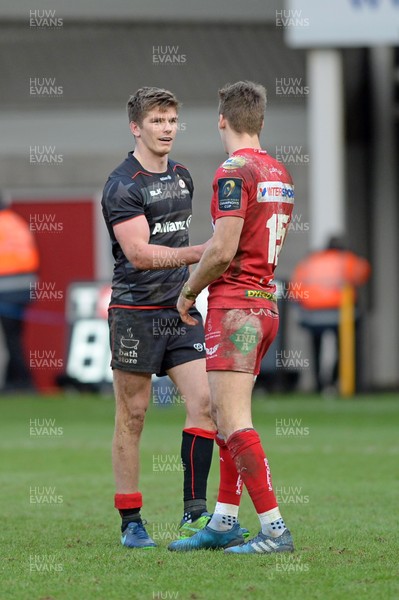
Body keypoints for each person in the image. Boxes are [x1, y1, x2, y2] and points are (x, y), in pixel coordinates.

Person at [168, 81, 295, 554]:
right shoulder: (278, 170)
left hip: (235, 307)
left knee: (235, 420)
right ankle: (223, 522)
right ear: (259, 121)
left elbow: (221, 250)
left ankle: (275, 530)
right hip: (264, 306)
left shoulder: (233, 171)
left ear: (221, 120)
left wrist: (188, 291)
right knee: (224, 415)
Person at [101, 87, 217, 549]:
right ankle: (131, 520)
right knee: (133, 415)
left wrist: (198, 281)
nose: (167, 129)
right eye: (157, 121)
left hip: (180, 310)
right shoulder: (122, 184)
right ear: (136, 127)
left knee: (205, 403)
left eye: (171, 121)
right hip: (134, 313)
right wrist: (202, 253)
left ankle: (195, 514)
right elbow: (139, 254)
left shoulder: (184, 176)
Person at [289, 236, 371, 393]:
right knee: (347, 347)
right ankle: (339, 380)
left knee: (316, 348)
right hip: (340, 313)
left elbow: (294, 288)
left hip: (311, 314)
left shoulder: (310, 261)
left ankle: (320, 385)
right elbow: (363, 273)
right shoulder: (346, 259)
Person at [0, 196, 39, 393]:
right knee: (13, 337)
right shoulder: (16, 222)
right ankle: (12, 380)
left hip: (5, 289)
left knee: (12, 339)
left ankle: (23, 381)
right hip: (23, 287)